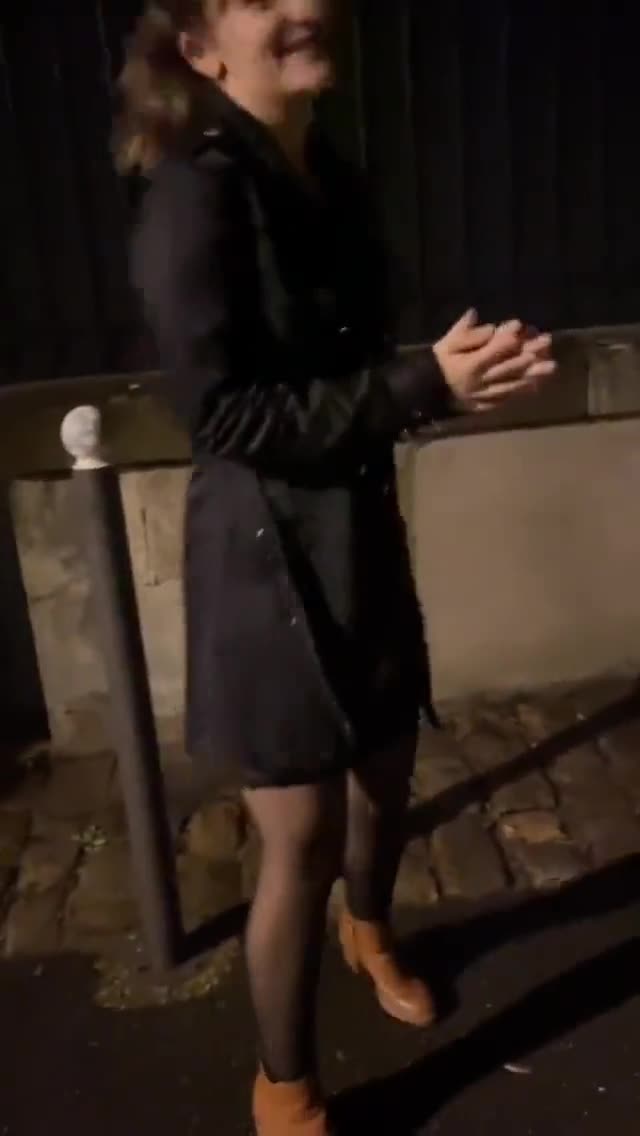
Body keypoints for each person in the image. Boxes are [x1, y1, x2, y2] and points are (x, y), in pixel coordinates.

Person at [116, 2, 556, 1132]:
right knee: (301, 836)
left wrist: (454, 380)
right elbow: (226, 417)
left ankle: (370, 928)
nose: (303, 5)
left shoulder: (334, 178)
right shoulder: (194, 194)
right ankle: (286, 1086)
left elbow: (343, 370)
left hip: (355, 525)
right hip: (263, 559)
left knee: (387, 768)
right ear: (201, 51)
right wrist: (420, 388)